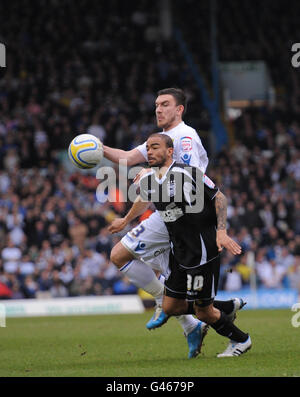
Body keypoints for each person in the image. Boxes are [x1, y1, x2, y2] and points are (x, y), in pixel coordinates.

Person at [106, 88, 245, 358]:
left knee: (126, 258)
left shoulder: (186, 136)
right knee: (121, 256)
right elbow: (127, 160)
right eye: (156, 104)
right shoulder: (157, 142)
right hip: (168, 214)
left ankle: (219, 323)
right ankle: (213, 309)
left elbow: (186, 180)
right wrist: (97, 148)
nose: (158, 109)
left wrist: (153, 171)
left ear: (179, 109)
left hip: (186, 217)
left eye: (165, 104)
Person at [136, 133, 252, 357]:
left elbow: (220, 198)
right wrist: (124, 220)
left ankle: (241, 340)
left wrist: (221, 231)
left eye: (156, 147)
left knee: (203, 312)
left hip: (201, 252)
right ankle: (226, 306)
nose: (150, 151)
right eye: (148, 148)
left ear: (170, 151)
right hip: (179, 252)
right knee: (170, 307)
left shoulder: (186, 173)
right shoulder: (150, 180)